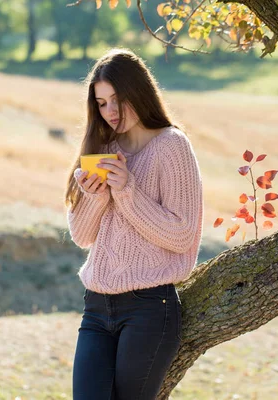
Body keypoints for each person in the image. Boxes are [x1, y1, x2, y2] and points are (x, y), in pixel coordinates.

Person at [64, 48, 204, 400]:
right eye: (101, 103)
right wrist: (97, 197)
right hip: (96, 307)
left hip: (149, 309)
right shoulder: (104, 149)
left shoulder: (172, 146)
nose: (110, 112)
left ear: (138, 92)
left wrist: (126, 190)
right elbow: (82, 236)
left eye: (117, 100)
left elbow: (182, 235)